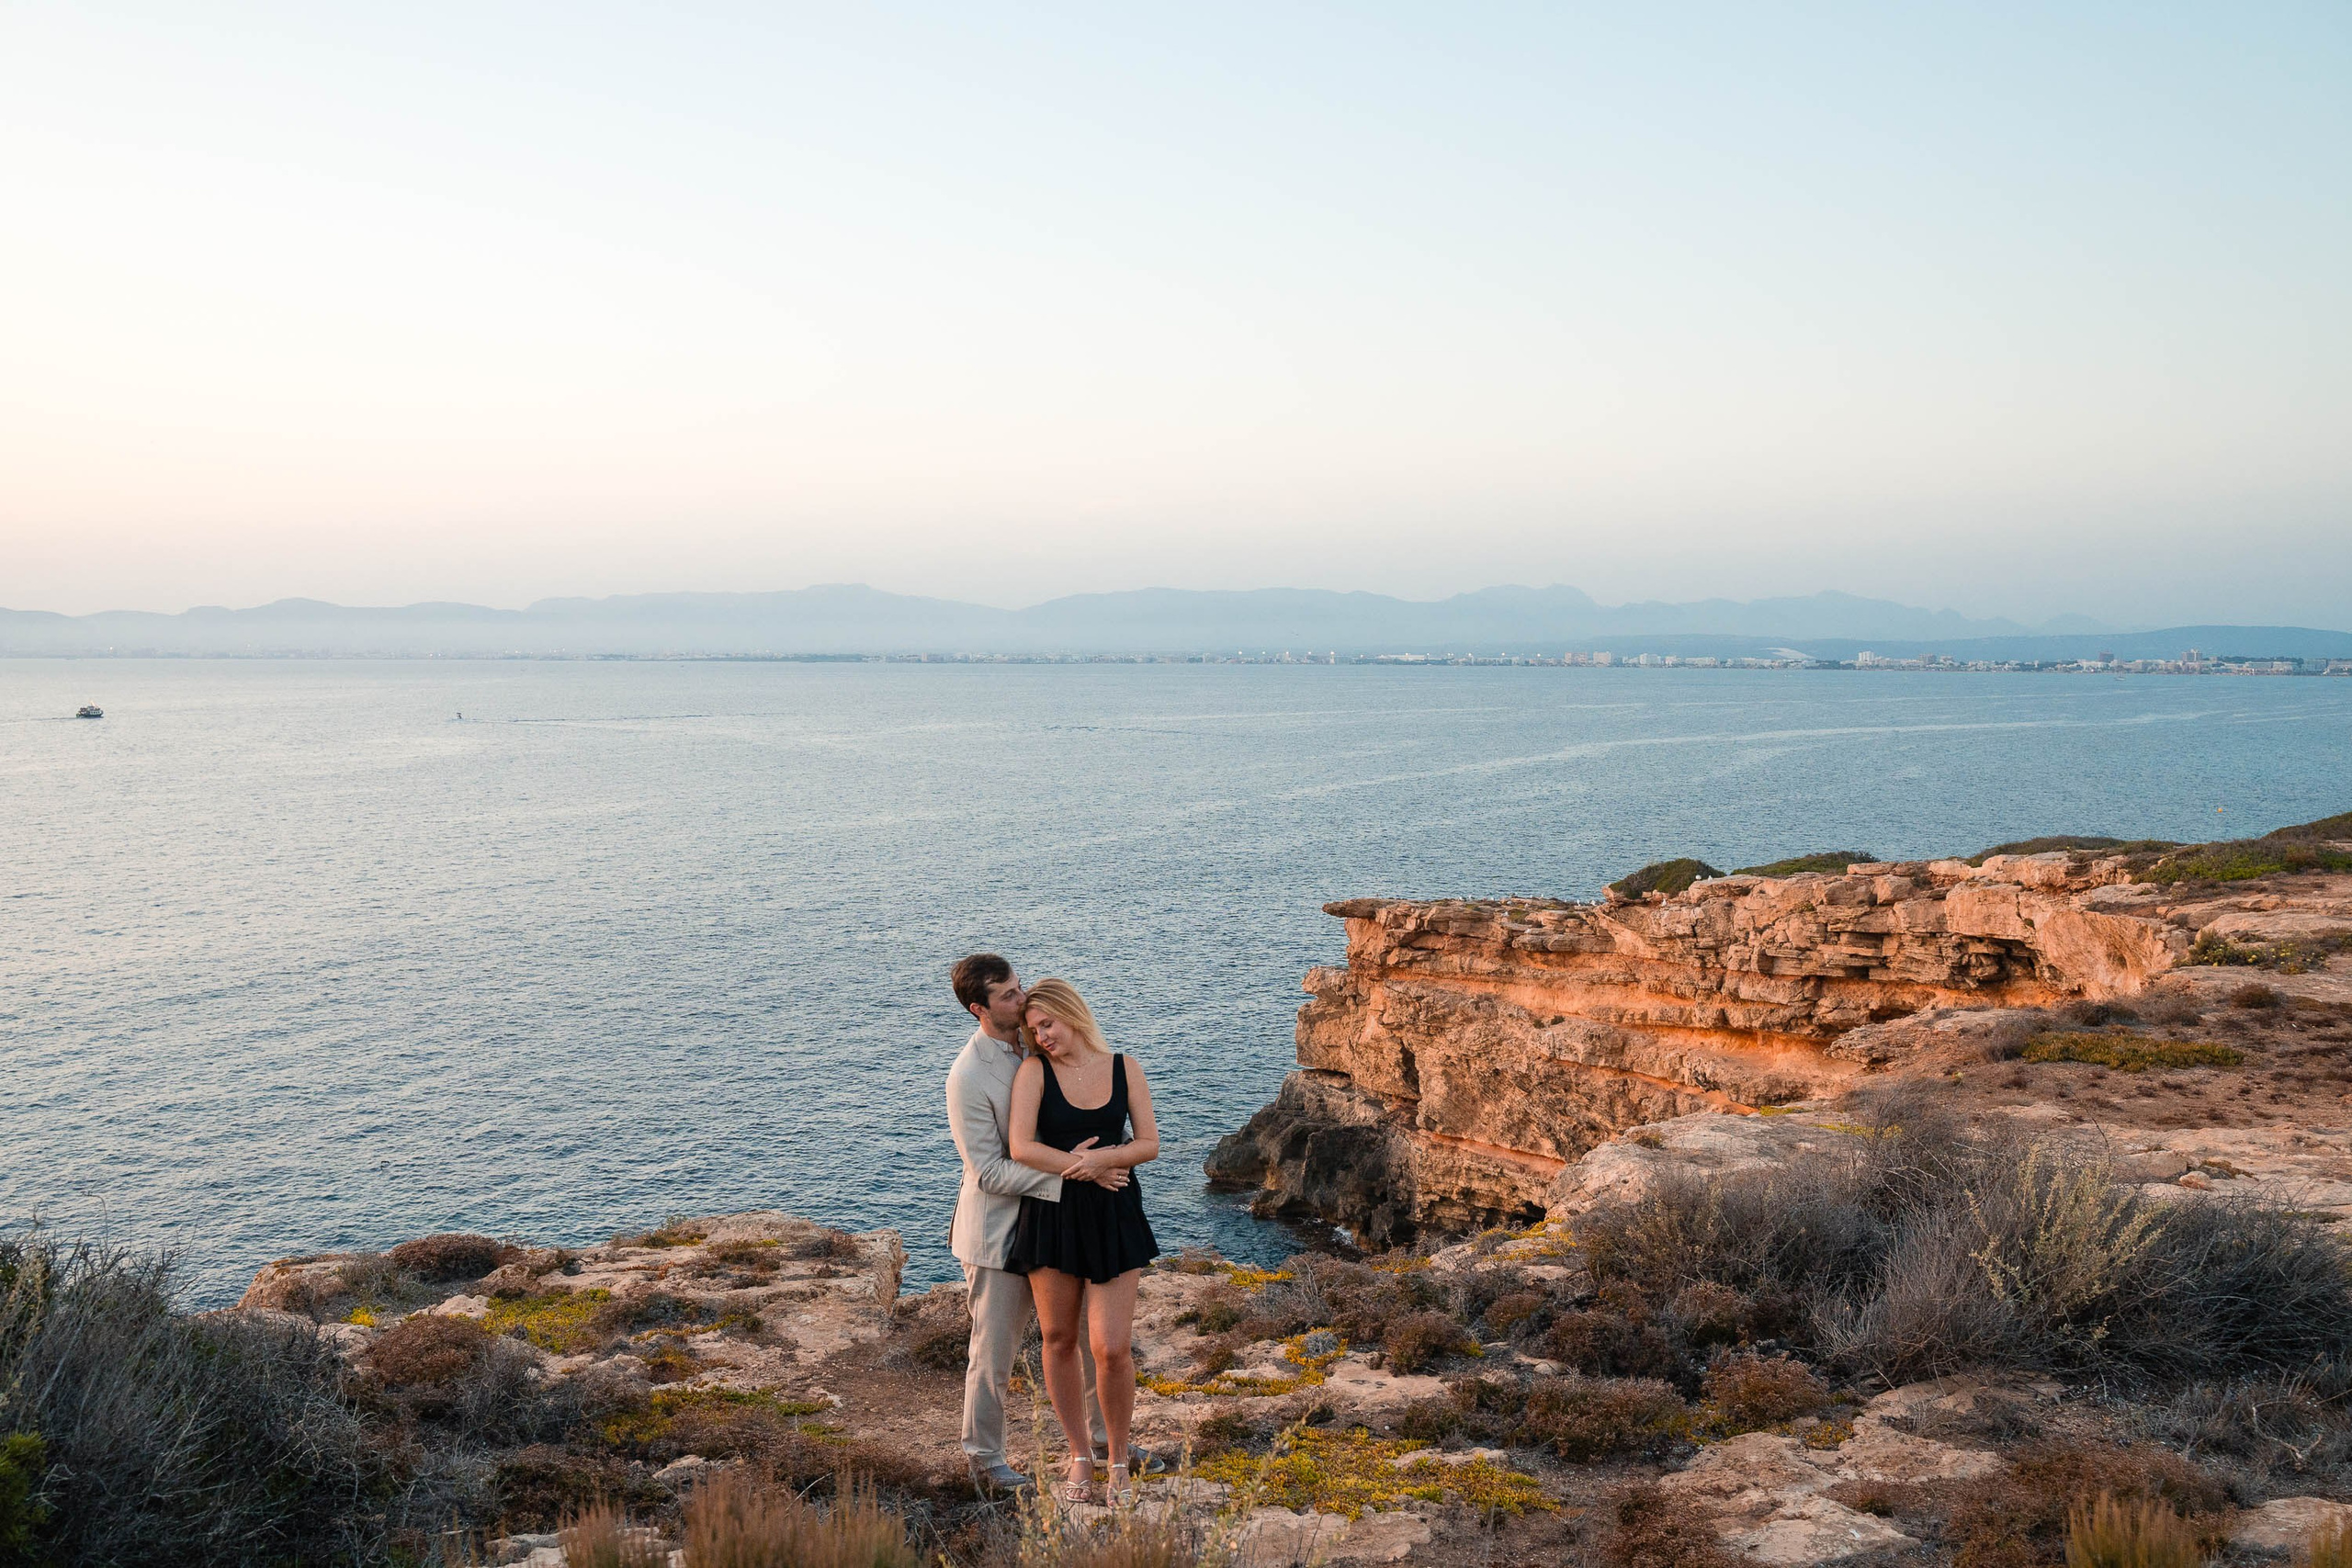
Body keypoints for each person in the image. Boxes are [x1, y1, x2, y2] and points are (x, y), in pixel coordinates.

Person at [944, 955, 1150, 1495]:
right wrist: (1080, 1174)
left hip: (1057, 1221)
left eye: (1019, 988)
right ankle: (984, 1459)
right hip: (998, 1230)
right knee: (994, 1351)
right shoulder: (969, 1074)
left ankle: (1104, 1443)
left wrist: (1091, 1166)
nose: (1022, 998)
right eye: (1009, 996)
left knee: (1085, 1339)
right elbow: (988, 1168)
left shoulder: (1031, 1047)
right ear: (979, 1009)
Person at [1005, 977, 1161, 1506]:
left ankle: (1116, 1458)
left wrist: (1102, 1161)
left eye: (1047, 1023)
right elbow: (1022, 1147)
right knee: (1057, 1340)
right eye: (1033, 1029)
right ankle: (1078, 1457)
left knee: (1112, 1347)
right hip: (1053, 1215)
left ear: (1071, 1013)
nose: (1042, 1036)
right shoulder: (1034, 1072)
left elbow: (1149, 1143)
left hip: (1114, 1214)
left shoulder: (1123, 1066)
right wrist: (1089, 1169)